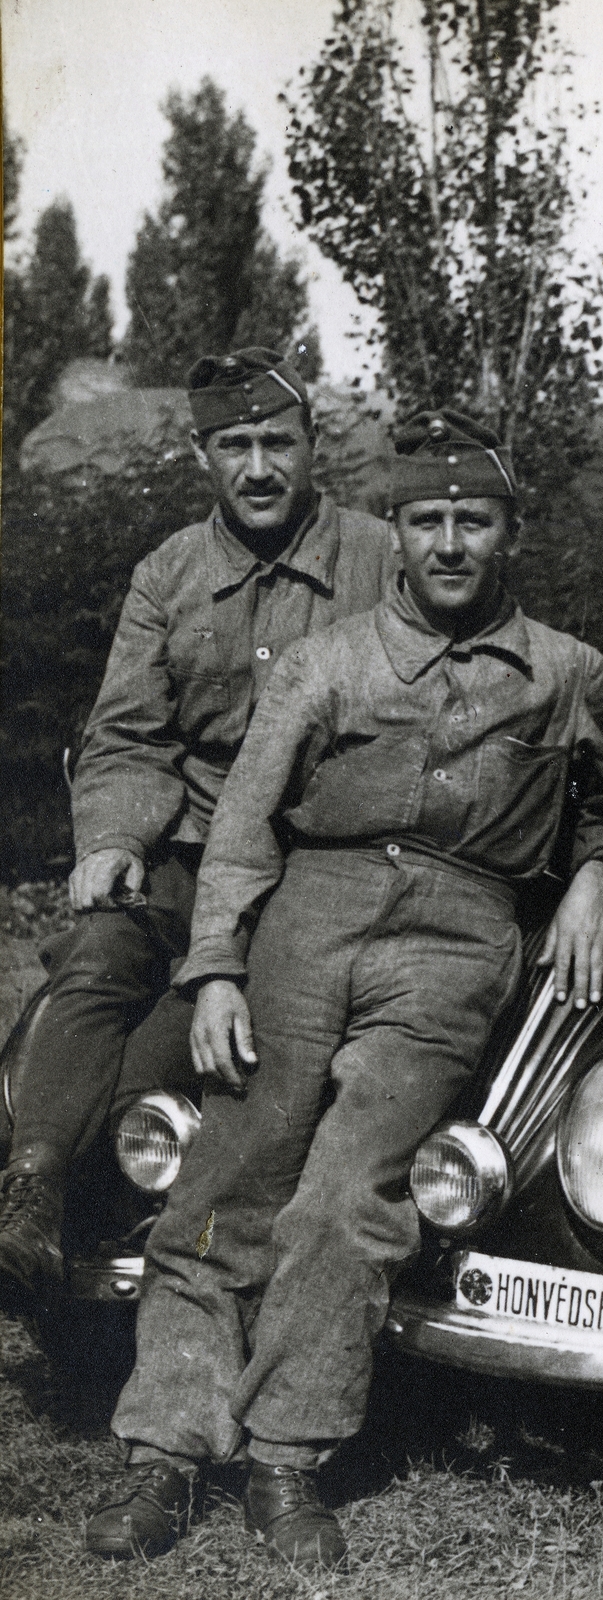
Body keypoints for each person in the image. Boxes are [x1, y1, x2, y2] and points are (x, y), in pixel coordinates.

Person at [83, 411, 603, 1568]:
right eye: (427, 520)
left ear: (510, 534)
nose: (449, 543)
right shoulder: (325, 662)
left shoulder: (564, 670)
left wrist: (594, 877)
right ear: (392, 531)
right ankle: (165, 1453)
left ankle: (286, 1460)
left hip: (456, 939)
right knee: (225, 1177)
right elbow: (240, 825)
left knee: (350, 1192)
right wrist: (220, 969)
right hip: (309, 918)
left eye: (473, 521)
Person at [0, 349, 395, 1298]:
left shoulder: (380, 560)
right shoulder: (169, 573)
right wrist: (113, 842)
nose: (258, 468)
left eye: (276, 443)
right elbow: (128, 732)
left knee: (159, 1046)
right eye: (234, 446)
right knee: (96, 953)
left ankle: (127, 1216)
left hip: (311, 861)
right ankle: (32, 1193)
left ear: (312, 448)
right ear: (201, 454)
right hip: (186, 846)